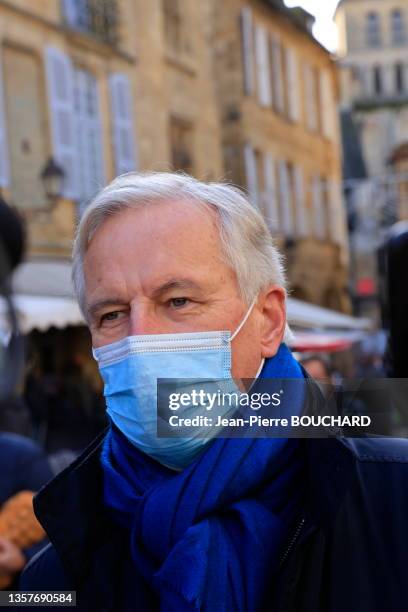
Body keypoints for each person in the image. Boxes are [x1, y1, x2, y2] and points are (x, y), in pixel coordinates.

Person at [21, 173, 408, 611]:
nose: (141, 338)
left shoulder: (393, 500)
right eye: (111, 314)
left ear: (267, 320)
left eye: (178, 301)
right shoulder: (51, 579)